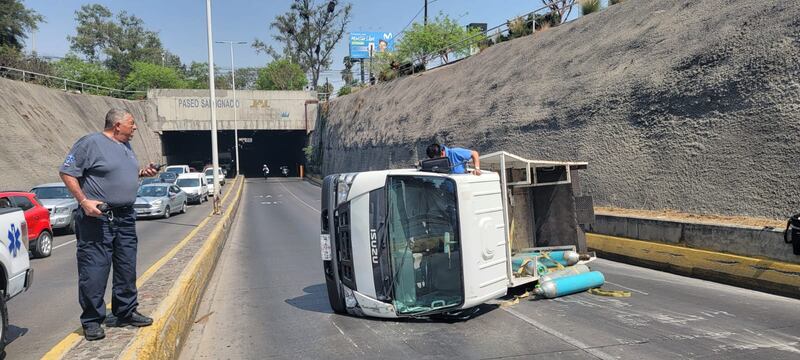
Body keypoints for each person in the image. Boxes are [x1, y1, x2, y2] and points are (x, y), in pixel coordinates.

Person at [59, 108, 158, 341]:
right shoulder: (90, 143)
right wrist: (83, 201)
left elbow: (119, 175)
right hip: (98, 218)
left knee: (126, 267)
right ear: (116, 125)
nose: (135, 128)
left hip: (125, 217)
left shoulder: (126, 146)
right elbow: (67, 172)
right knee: (94, 270)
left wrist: (143, 173)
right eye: (131, 124)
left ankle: (125, 311)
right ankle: (92, 320)